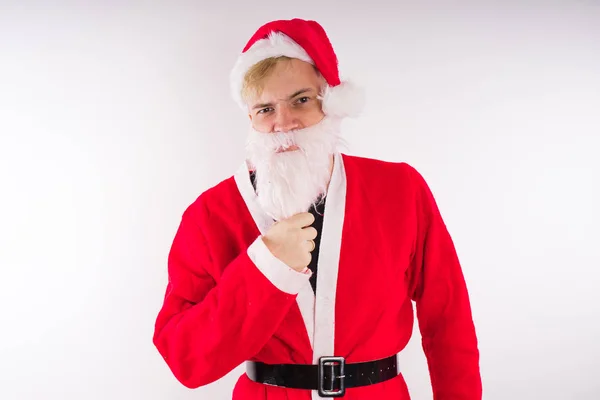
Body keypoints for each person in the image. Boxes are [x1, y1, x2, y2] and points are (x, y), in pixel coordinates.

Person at [153, 18, 482, 400]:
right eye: (265, 109)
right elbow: (185, 359)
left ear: (330, 101)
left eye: (301, 100)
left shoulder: (401, 190)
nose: (283, 124)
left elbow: (448, 319)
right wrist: (266, 266)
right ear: (250, 118)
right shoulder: (210, 215)